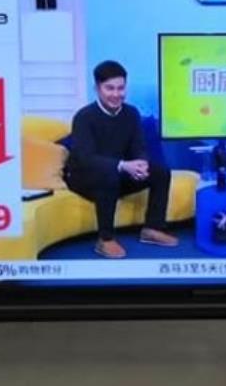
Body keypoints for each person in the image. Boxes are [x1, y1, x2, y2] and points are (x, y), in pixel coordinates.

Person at [64, 60, 179, 259]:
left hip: (118, 173)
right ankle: (105, 239)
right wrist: (122, 165)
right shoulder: (84, 117)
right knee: (108, 175)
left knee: (160, 172)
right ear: (97, 88)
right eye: (110, 88)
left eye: (121, 88)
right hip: (84, 177)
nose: (116, 94)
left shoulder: (131, 113)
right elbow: (85, 159)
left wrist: (141, 163)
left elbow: (139, 146)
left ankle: (153, 228)